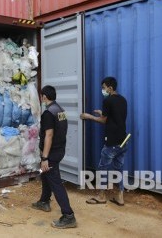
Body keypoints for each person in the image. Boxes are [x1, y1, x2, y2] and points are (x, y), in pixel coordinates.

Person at [31, 85, 77, 229]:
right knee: (46, 175)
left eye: (41, 96)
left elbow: (49, 135)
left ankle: (68, 215)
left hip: (51, 153)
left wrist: (45, 158)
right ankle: (44, 201)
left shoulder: (48, 113)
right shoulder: (60, 110)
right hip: (59, 150)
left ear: (44, 96)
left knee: (55, 181)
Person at [80, 76, 128, 206]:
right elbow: (116, 116)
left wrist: (89, 116)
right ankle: (120, 197)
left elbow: (103, 120)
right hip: (123, 141)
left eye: (103, 88)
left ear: (110, 88)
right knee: (119, 169)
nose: (102, 90)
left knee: (102, 168)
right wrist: (103, 113)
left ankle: (101, 196)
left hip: (112, 142)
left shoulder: (108, 100)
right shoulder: (123, 100)